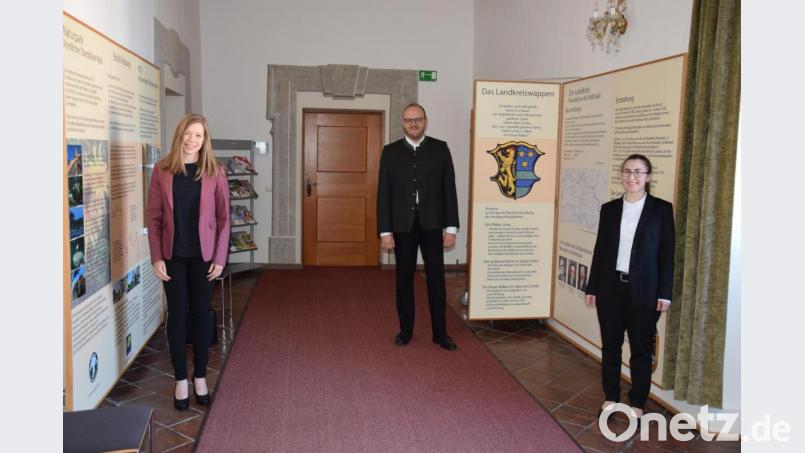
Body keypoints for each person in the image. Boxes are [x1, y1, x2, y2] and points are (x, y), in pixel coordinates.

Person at [147, 113, 230, 410]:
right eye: (188, 133)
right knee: (177, 315)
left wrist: (220, 258)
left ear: (205, 139)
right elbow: (154, 217)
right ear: (179, 135)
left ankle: (200, 377)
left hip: (204, 258)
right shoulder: (162, 170)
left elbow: (224, 219)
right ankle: (180, 378)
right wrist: (156, 256)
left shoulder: (215, 171)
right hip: (173, 257)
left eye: (199, 135)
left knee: (200, 314)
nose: (192, 139)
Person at [585, 154, 674, 421]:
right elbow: (600, 251)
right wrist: (592, 287)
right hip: (611, 289)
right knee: (610, 346)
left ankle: (637, 400)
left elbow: (667, 254)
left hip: (644, 292)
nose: (631, 177)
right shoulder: (609, 209)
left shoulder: (661, 209)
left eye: (638, 172)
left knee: (641, 350)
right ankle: (611, 395)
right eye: (627, 171)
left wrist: (665, 293)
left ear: (647, 177)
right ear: (621, 175)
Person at [377, 103, 460, 351]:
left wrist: (451, 228)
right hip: (402, 226)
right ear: (402, 122)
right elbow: (384, 194)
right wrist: (385, 232)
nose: (414, 124)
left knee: (436, 279)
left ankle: (440, 333)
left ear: (426, 121)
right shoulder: (390, 152)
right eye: (409, 120)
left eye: (418, 119)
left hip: (433, 225)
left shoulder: (440, 149)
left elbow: (449, 190)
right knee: (404, 280)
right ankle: (405, 330)